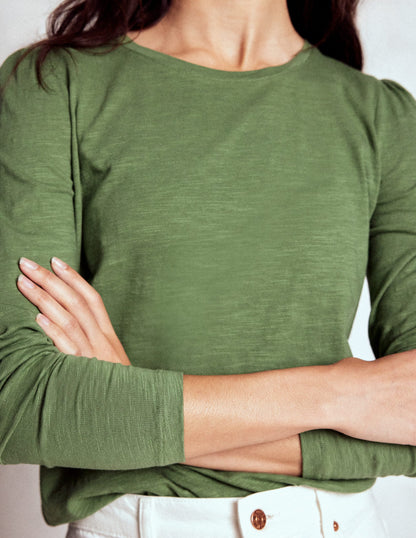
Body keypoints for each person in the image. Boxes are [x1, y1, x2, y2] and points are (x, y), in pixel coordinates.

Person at [1, 0, 416, 536]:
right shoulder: (53, 85)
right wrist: (343, 396)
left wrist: (133, 408)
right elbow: (16, 397)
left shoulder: (382, 118)